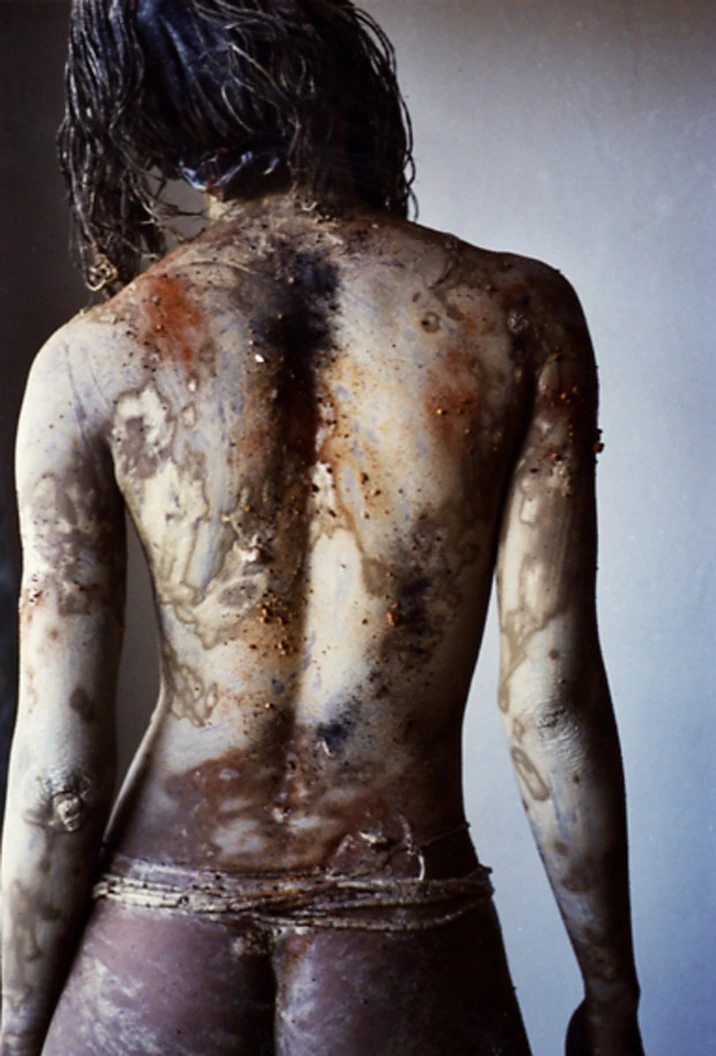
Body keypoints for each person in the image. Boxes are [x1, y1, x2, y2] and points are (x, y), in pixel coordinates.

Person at [0, 1, 644, 1053]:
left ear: (148, 104)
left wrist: (17, 1030)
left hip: (158, 923)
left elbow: (59, 770)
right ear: (335, 66)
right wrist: (611, 998)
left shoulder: (91, 357)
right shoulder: (519, 316)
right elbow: (550, 707)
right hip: (401, 912)